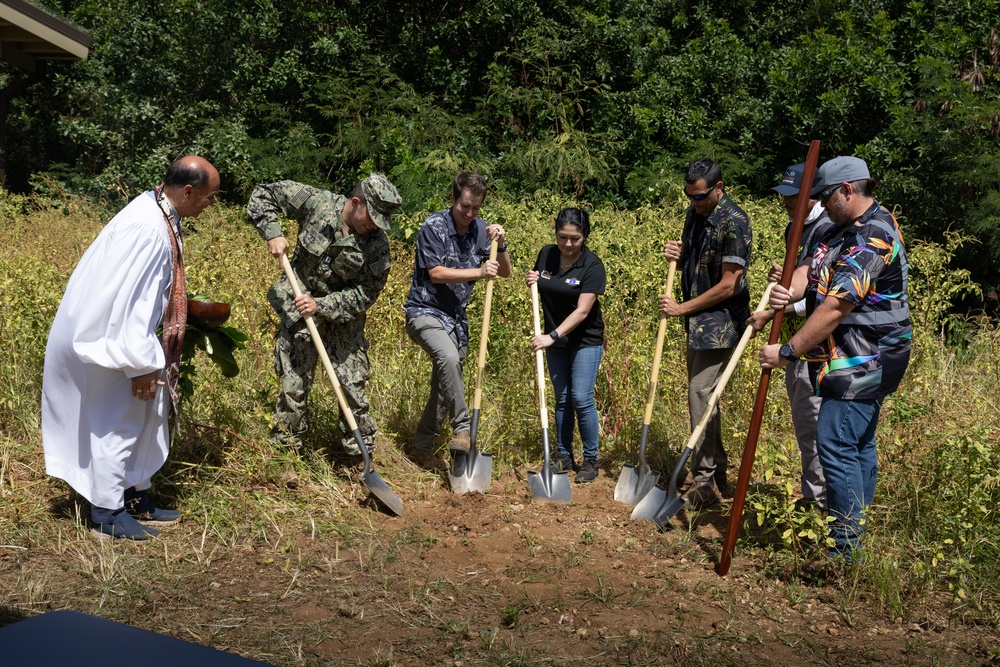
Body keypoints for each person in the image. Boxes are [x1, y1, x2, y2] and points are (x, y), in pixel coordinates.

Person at [42, 155, 221, 540]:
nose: (210, 204)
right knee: (118, 421)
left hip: (115, 334)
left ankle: (135, 496)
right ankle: (107, 515)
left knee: (145, 416)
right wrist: (139, 363)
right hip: (106, 340)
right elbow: (130, 302)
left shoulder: (156, 210)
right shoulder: (148, 229)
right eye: (209, 196)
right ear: (188, 191)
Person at [760, 156, 911, 559]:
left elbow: (834, 308)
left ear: (848, 190)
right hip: (852, 353)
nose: (821, 205)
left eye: (826, 197)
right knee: (857, 443)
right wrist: (787, 291)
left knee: (835, 442)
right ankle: (855, 535)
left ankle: (844, 552)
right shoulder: (846, 228)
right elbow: (811, 273)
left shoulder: (871, 236)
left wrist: (789, 352)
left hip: (868, 356)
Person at [247, 174, 402, 458]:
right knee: (293, 384)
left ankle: (359, 458)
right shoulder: (317, 203)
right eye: (371, 218)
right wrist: (273, 232)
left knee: (351, 387)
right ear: (356, 203)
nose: (373, 227)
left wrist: (322, 306)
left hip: (343, 319)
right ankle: (287, 455)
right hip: (298, 307)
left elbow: (366, 294)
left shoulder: (377, 247)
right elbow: (263, 194)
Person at [659, 158, 752, 508]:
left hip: (721, 321)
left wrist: (682, 307)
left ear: (718, 188)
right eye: (689, 197)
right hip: (697, 321)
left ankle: (705, 480)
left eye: (699, 197)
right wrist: (677, 256)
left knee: (700, 392)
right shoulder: (694, 214)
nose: (693, 203)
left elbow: (730, 285)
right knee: (705, 398)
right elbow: (693, 260)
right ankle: (716, 475)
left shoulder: (736, 222)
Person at [404, 172, 510, 470]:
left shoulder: (481, 231)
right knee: (448, 358)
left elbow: (504, 272)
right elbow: (436, 273)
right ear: (453, 199)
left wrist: (499, 245)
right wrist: (478, 272)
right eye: (464, 206)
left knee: (444, 384)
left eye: (476, 208)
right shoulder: (433, 226)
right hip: (424, 312)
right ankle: (463, 429)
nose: (469, 213)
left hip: (455, 320)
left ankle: (422, 447)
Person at [746, 163, 836, 509]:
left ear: (811, 194)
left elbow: (822, 299)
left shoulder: (828, 229)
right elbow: (800, 280)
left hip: (815, 343)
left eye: (793, 196)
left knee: (814, 423)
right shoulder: (795, 227)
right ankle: (814, 497)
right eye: (784, 195)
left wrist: (771, 312)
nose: (786, 202)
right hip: (796, 341)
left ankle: (822, 503)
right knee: (804, 422)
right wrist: (783, 276)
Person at [526, 208, 607, 483]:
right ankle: (563, 455)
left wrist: (553, 336)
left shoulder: (592, 266)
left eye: (575, 238)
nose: (568, 244)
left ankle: (591, 459)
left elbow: (583, 311)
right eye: (563, 237)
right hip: (555, 339)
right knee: (562, 398)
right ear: (556, 235)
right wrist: (534, 280)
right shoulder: (547, 254)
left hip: (584, 340)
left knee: (581, 398)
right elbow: (539, 280)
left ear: (584, 237)